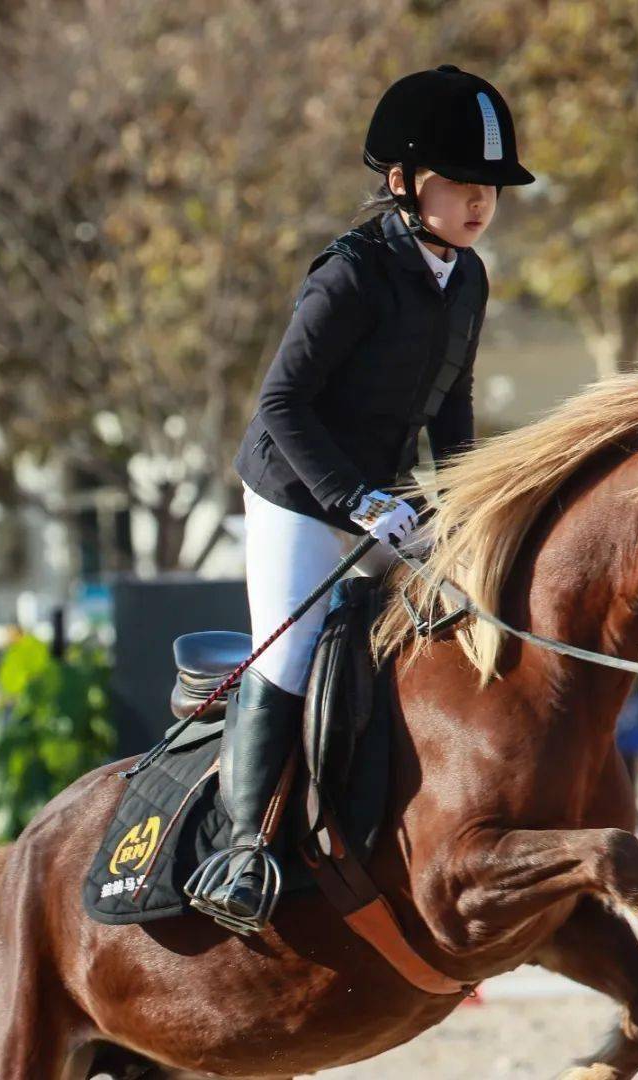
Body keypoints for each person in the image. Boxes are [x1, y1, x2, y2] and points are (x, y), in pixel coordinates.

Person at [192, 65, 535, 927]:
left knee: (460, 616)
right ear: (402, 183)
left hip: (382, 495)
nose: (479, 203)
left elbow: (450, 404)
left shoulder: (468, 278)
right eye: (460, 183)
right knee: (294, 654)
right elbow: (281, 404)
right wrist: (352, 497)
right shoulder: (349, 275)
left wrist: (462, 501)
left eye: (488, 187)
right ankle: (242, 852)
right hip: (298, 492)